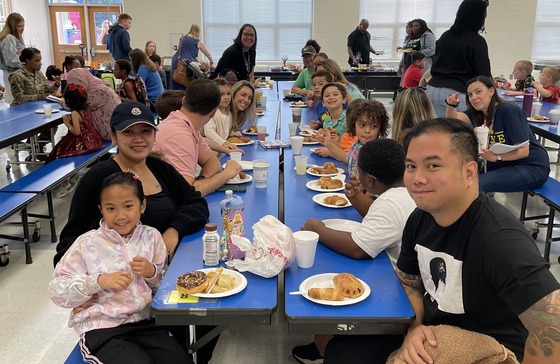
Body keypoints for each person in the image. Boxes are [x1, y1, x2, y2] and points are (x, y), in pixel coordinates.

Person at [323, 118, 560, 364]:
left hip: (490, 351)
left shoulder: (499, 239)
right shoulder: (420, 218)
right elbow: (411, 284)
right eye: (411, 166)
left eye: (433, 165)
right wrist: (415, 327)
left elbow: (554, 326)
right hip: (434, 336)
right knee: (343, 352)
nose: (417, 178)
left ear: (469, 172)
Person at [293, 138, 416, 364]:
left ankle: (325, 347)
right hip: (399, 274)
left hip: (400, 291)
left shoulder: (390, 203)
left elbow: (358, 248)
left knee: (332, 274)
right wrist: (356, 198)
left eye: (358, 172)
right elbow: (380, 221)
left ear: (369, 179)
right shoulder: (402, 192)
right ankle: (322, 343)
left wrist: (318, 229)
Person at [50, 172, 192, 364]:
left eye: (128, 206)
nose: (120, 216)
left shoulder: (152, 238)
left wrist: (152, 273)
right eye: (111, 208)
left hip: (146, 323)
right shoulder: (86, 243)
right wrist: (98, 282)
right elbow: (57, 290)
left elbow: (165, 291)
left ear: (142, 206)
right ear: (101, 209)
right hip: (103, 328)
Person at [54, 101, 209, 266]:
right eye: (128, 132)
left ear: (154, 135)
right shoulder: (99, 177)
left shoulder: (160, 168)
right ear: (114, 136)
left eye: (146, 131)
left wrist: (174, 230)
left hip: (163, 270)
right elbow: (70, 244)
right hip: (121, 283)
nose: (139, 139)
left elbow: (195, 203)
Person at [445, 75, 549, 193]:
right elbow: (455, 119)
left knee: (477, 184)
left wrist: (497, 158)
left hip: (531, 166)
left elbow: (524, 151)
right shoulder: (478, 113)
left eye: (478, 92)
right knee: (459, 171)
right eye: (470, 95)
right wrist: (451, 105)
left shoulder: (508, 111)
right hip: (503, 163)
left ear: (491, 91)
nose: (474, 97)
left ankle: (478, 210)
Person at [153, 79, 242, 197]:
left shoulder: (185, 124)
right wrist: (227, 174)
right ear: (213, 113)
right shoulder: (179, 135)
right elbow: (186, 193)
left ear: (184, 100)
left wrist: (201, 181)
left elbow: (212, 162)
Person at [427, 0, 491, 117]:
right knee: (460, 134)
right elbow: (483, 75)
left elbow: (435, 60)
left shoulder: (446, 35)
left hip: (432, 90)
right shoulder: (476, 40)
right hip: (455, 93)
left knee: (436, 131)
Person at [317, 99, 390, 175]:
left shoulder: (376, 151)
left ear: (380, 128)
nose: (367, 130)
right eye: (362, 125)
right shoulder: (357, 143)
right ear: (354, 125)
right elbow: (348, 158)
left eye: (374, 126)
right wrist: (328, 143)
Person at [46, 83, 104, 163]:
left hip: (83, 143)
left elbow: (77, 132)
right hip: (94, 140)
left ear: (68, 101)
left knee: (57, 152)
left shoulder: (75, 113)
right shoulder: (86, 109)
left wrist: (67, 123)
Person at [66, 68, 121, 141]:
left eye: (78, 84)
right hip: (116, 128)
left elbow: (77, 105)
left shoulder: (96, 91)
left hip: (109, 132)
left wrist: (64, 102)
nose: (76, 89)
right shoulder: (97, 86)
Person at [203, 78, 243, 151]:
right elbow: (209, 132)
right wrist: (223, 143)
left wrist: (231, 133)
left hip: (224, 150)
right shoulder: (211, 113)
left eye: (228, 94)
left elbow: (223, 131)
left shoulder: (229, 112)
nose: (226, 97)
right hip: (212, 150)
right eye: (221, 94)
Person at [0, 12, 25, 104]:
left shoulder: (16, 38)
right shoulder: (8, 38)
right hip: (12, 73)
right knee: (14, 100)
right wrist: (26, 65)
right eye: (19, 26)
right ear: (12, 26)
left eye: (23, 26)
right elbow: (11, 60)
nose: (22, 29)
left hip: (16, 72)